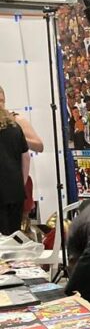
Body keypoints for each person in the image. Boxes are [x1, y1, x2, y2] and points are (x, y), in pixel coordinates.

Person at [0, 86, 30, 235]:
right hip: (15, 190)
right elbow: (26, 157)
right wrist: (21, 183)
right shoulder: (16, 127)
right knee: (14, 237)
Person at [0, 85, 44, 153]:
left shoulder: (16, 119)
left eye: (1, 101)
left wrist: (19, 139)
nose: (0, 104)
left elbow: (39, 146)